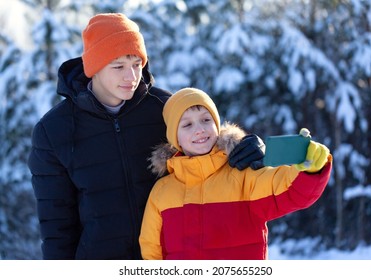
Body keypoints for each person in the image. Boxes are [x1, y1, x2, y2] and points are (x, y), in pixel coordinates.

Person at [27, 13, 265, 260]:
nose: (131, 77)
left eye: (136, 64)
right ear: (94, 67)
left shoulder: (164, 108)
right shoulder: (54, 131)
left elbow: (207, 152)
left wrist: (242, 145)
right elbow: (56, 225)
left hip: (171, 257)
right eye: (118, 66)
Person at [139, 87, 333, 260]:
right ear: (175, 138)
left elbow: (285, 189)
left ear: (217, 125)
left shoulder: (243, 174)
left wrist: (310, 169)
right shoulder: (162, 192)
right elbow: (151, 250)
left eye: (206, 120)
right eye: (187, 125)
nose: (199, 129)